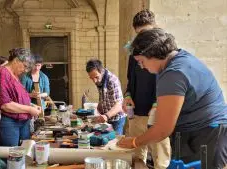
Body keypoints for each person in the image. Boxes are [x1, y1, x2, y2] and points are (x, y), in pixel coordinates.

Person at [117, 28, 227, 168]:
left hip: (207, 134)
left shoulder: (174, 73)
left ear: (152, 54)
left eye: (141, 61)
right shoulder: (178, 60)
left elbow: (163, 129)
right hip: (196, 131)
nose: (142, 66)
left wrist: (134, 142)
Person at [123, 9, 171, 168]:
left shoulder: (164, 53)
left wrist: (157, 104)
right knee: (137, 157)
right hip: (136, 114)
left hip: (157, 114)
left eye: (145, 32)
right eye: (139, 34)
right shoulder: (133, 54)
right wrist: (127, 95)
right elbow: (130, 80)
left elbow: (169, 84)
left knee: (161, 160)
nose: (142, 38)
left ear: (155, 28)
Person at [0, 48, 41, 147]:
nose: (25, 70)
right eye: (25, 66)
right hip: (10, 122)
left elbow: (17, 98)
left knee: (24, 153)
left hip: (22, 121)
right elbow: (5, 105)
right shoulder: (2, 73)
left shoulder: (14, 75)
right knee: (12, 156)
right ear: (16, 60)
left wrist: (32, 105)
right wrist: (30, 109)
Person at [86, 59, 126, 135]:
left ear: (101, 71)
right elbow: (103, 95)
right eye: (91, 78)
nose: (94, 81)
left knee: (114, 142)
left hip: (117, 118)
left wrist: (106, 116)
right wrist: (99, 107)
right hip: (107, 117)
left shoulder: (112, 80)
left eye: (96, 77)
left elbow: (119, 105)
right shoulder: (99, 79)